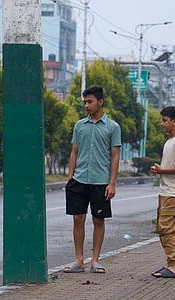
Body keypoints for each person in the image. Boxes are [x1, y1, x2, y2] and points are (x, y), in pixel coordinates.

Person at [63, 85, 121, 274]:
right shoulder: (79, 125)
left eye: (90, 102)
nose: (87, 106)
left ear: (100, 102)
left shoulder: (113, 127)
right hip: (79, 180)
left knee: (98, 219)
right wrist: (70, 178)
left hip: (100, 181)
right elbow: (74, 152)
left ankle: (95, 260)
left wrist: (112, 183)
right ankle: (79, 260)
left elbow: (115, 156)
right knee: (78, 218)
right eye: (85, 102)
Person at [150, 106, 175, 279]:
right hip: (165, 190)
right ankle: (170, 263)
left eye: (165, 120)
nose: (162, 124)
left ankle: (173, 266)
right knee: (163, 228)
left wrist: (162, 171)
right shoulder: (169, 141)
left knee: (168, 228)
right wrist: (160, 170)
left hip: (173, 191)